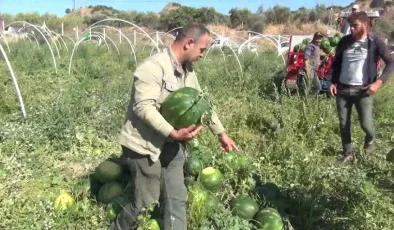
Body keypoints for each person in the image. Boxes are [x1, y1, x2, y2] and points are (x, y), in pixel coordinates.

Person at [111, 22, 238, 230]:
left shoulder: (188, 71)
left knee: (177, 197)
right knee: (146, 203)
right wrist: (173, 132)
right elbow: (143, 107)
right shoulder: (153, 67)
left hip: (172, 143)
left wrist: (221, 133)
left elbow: (201, 102)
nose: (203, 55)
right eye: (202, 49)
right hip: (144, 146)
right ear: (189, 43)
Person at [329, 11, 394, 165]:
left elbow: (391, 62)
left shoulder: (375, 42)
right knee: (344, 124)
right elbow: (336, 63)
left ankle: (371, 139)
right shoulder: (344, 41)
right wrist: (332, 82)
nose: (351, 28)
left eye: (355, 25)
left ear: (365, 25)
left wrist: (378, 83)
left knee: (366, 123)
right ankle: (348, 154)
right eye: (350, 25)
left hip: (363, 91)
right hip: (343, 89)